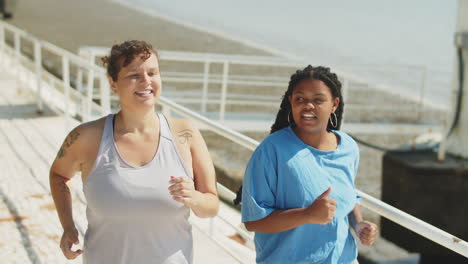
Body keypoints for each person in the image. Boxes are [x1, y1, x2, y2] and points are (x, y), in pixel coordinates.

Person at [49, 40, 219, 263]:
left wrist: (194, 197)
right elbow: (58, 175)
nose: (146, 82)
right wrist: (68, 227)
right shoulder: (86, 137)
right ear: (113, 83)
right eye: (134, 75)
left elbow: (211, 206)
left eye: (152, 73)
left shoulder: (186, 134)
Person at [240, 65, 378, 264]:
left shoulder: (348, 147)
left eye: (318, 100)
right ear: (291, 102)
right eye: (300, 99)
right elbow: (253, 221)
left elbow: (349, 194)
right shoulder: (272, 150)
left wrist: (358, 224)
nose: (308, 106)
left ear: (334, 104)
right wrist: (307, 215)